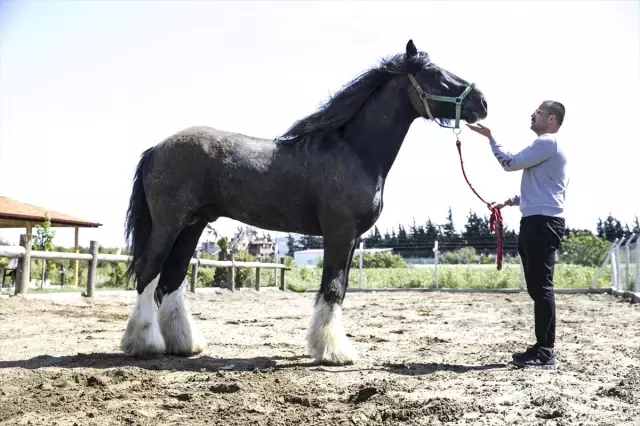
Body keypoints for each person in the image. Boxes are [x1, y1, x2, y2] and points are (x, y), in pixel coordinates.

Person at [466, 100, 568, 369]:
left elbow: (510, 163)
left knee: (542, 287)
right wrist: (510, 202)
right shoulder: (548, 149)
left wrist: (491, 138)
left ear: (552, 119)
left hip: (542, 224)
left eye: (539, 112)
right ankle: (541, 346)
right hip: (536, 220)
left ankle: (546, 352)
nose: (533, 114)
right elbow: (542, 189)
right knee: (537, 287)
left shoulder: (547, 143)